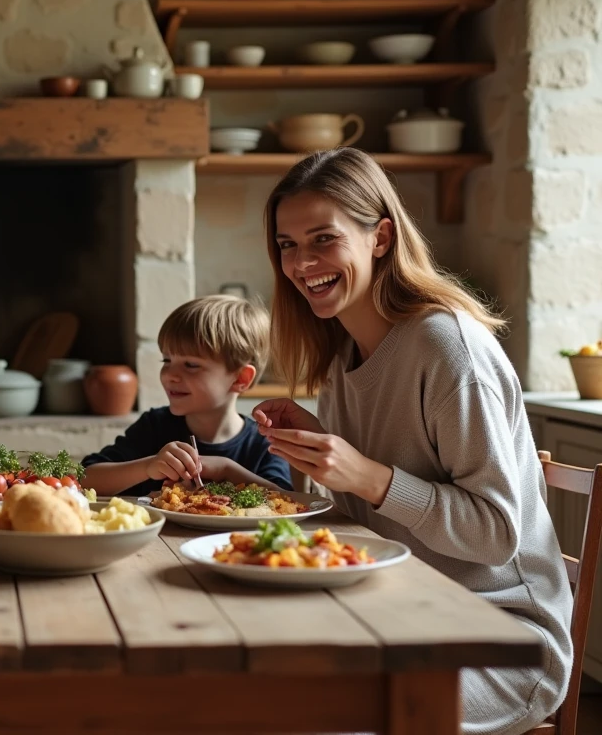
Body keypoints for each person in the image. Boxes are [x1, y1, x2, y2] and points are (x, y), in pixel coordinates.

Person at [251, 147, 571, 735]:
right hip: (393, 614)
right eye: (288, 245)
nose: (301, 262)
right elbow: (362, 528)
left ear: (380, 238)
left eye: (323, 238)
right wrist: (314, 454)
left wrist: (367, 475)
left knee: (308, 715)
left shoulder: (448, 350)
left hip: (500, 642)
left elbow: (498, 535)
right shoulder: (345, 357)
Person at [82, 295, 292, 498]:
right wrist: (147, 467)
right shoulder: (155, 426)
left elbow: (288, 501)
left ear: (240, 378)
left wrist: (227, 471)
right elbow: (84, 478)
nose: (169, 375)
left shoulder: (264, 443)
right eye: (166, 361)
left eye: (191, 365)